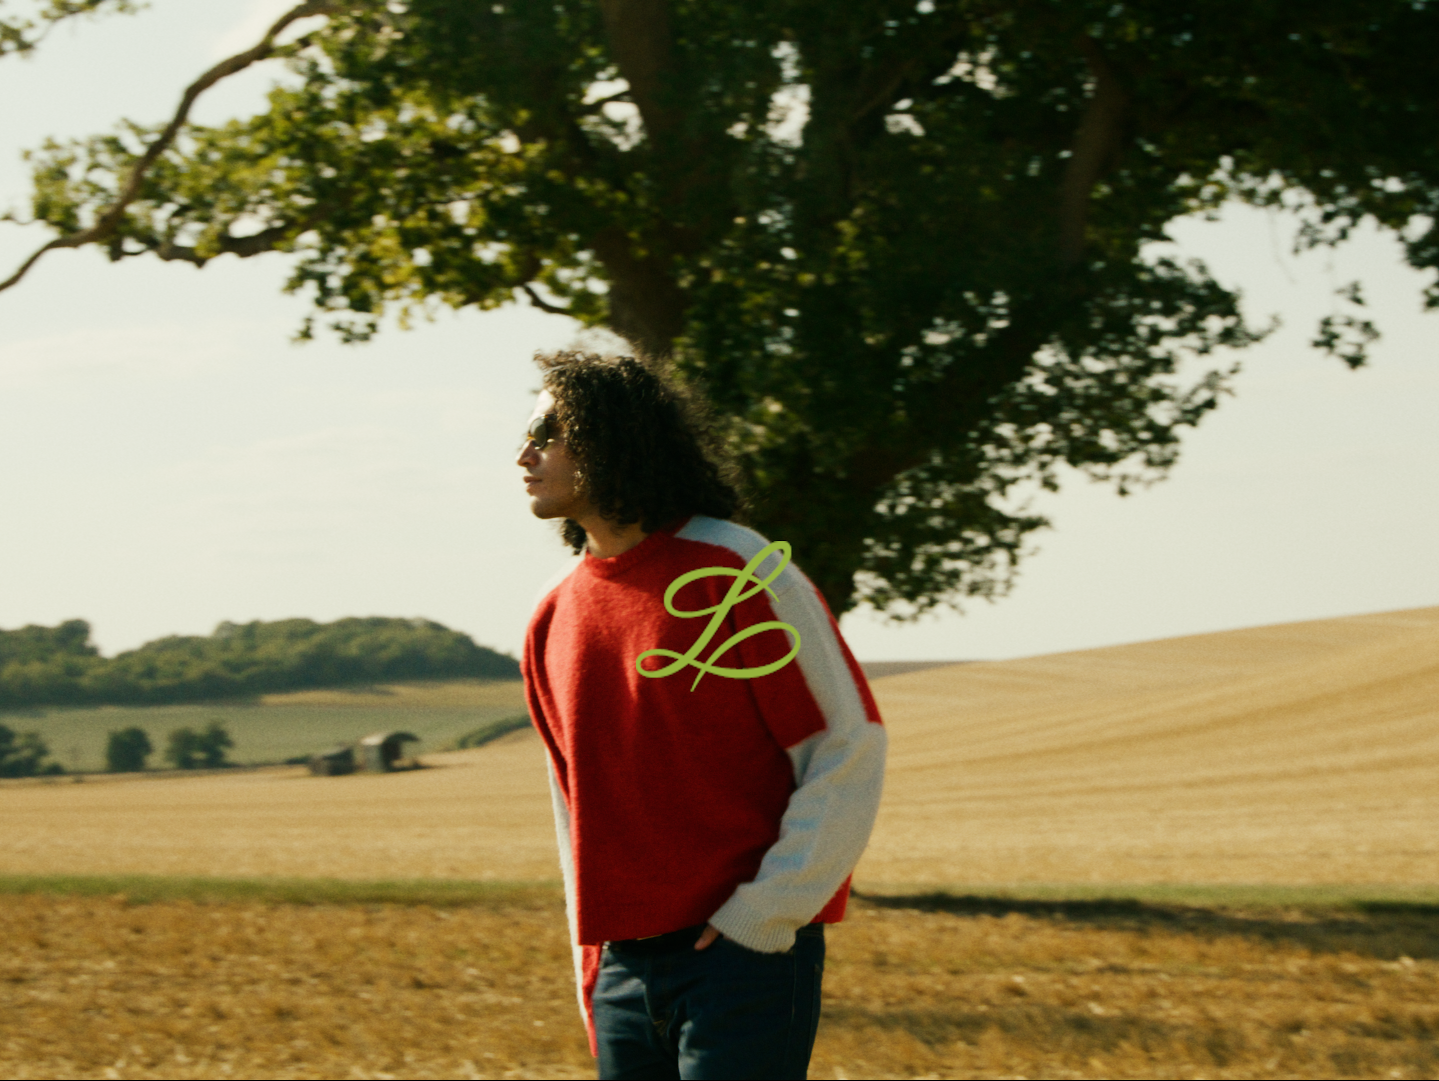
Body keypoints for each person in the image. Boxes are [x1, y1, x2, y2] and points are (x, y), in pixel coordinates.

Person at [516, 350, 886, 1080]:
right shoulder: (551, 613)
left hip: (743, 959)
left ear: (608, 438)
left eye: (547, 431)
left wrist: (764, 915)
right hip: (622, 968)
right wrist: (592, 968)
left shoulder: (737, 569)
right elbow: (574, 811)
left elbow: (847, 744)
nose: (524, 454)